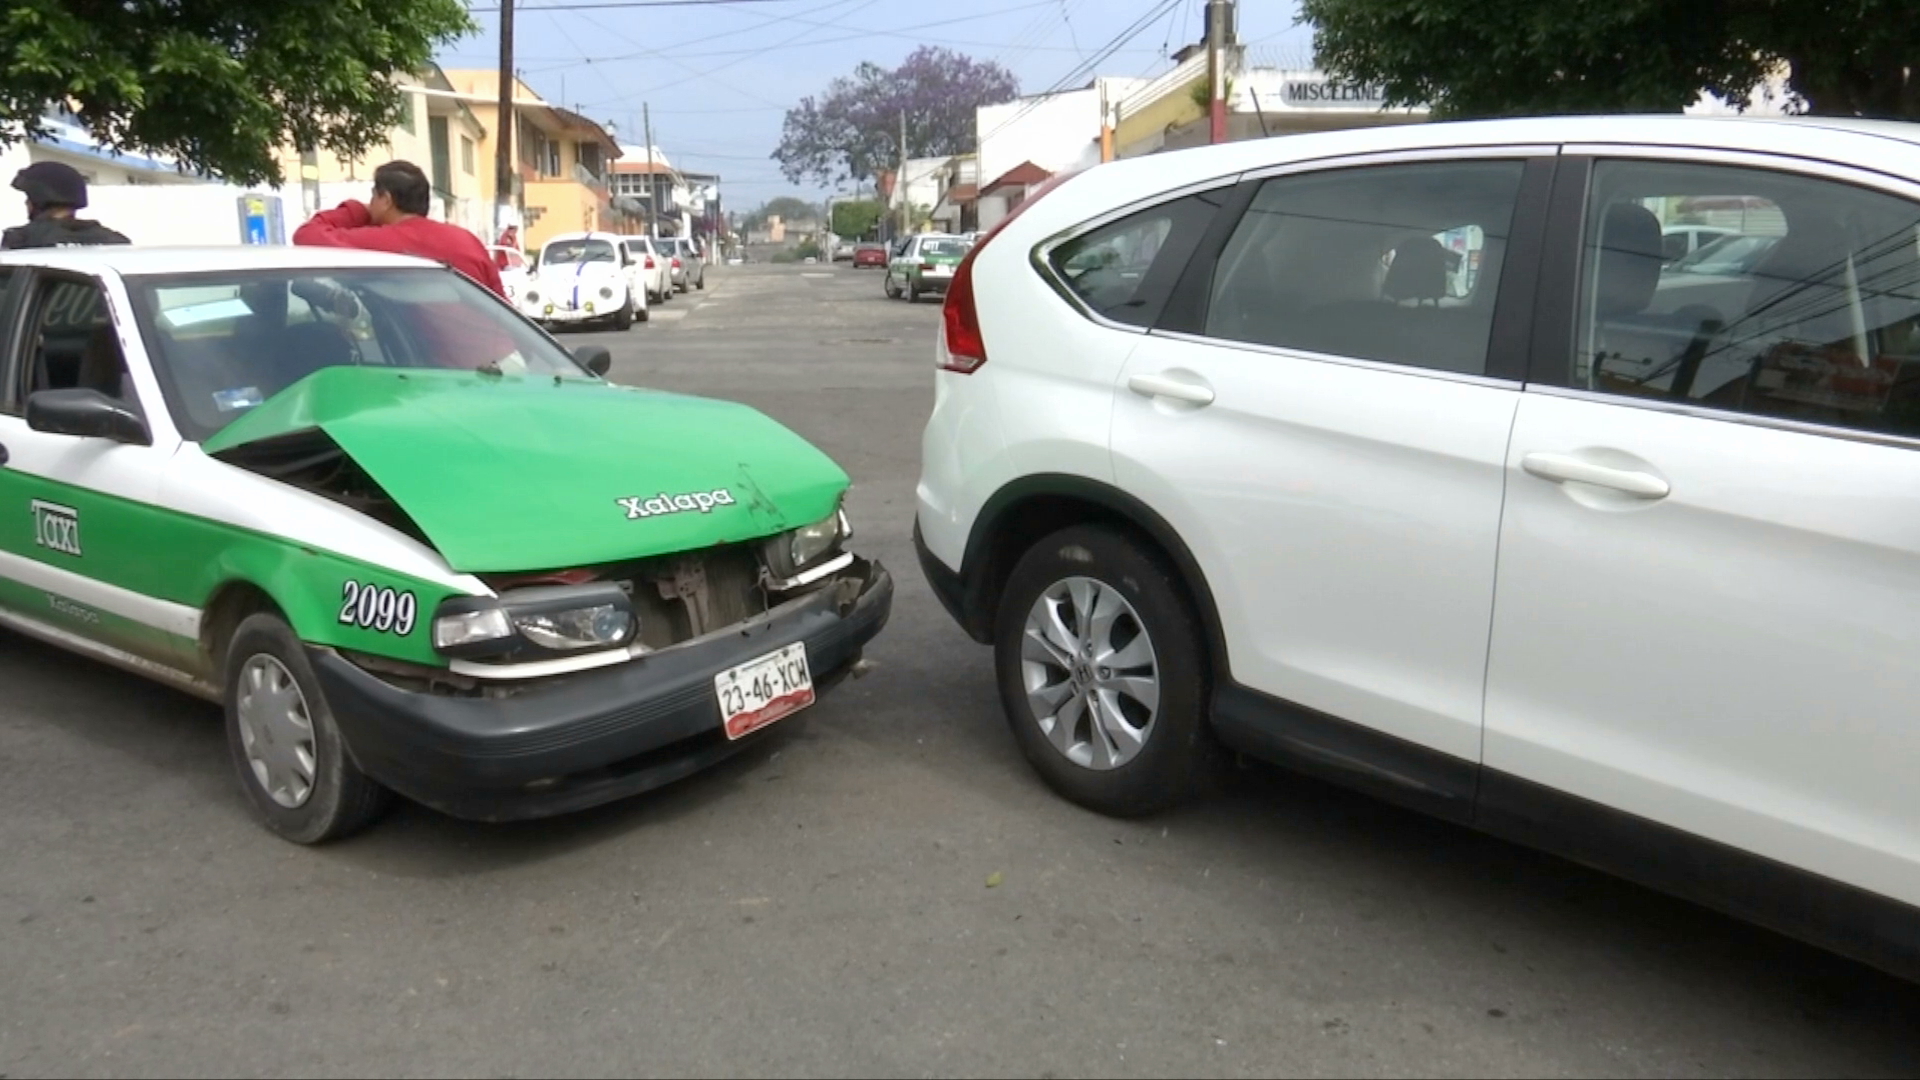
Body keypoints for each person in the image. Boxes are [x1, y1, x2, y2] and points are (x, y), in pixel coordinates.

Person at [293, 161, 505, 298]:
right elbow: (502, 304)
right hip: (502, 358)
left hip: (438, 364)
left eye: (373, 196)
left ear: (385, 199)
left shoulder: (382, 242)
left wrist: (360, 211)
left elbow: (306, 235)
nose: (370, 202)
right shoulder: (466, 239)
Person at [4, 161, 130, 249]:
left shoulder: (21, 240)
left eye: (29, 197)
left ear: (40, 198)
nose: (26, 203)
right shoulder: (115, 240)